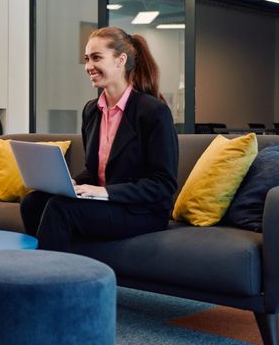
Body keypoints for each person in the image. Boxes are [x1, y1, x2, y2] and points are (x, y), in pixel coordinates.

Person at [20, 27, 178, 250]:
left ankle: (45, 279)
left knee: (60, 208)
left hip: (141, 210)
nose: (88, 67)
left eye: (96, 58)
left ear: (120, 60)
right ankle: (60, 269)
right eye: (86, 59)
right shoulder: (92, 110)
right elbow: (94, 171)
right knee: (32, 203)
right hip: (107, 203)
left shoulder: (153, 112)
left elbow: (163, 184)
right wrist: (72, 183)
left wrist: (105, 191)